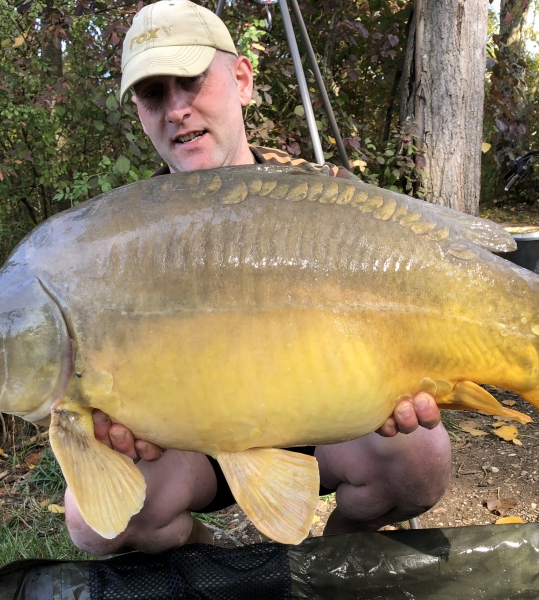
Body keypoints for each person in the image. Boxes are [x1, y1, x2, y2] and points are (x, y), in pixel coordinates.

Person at [64, 0, 451, 556]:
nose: (177, 109)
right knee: (95, 520)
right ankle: (216, 561)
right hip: (192, 443)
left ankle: (331, 563)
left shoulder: (327, 195)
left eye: (191, 81)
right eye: (154, 94)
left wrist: (400, 376)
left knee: (423, 459)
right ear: (141, 112)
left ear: (242, 79)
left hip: (321, 420)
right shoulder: (118, 239)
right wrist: (108, 420)